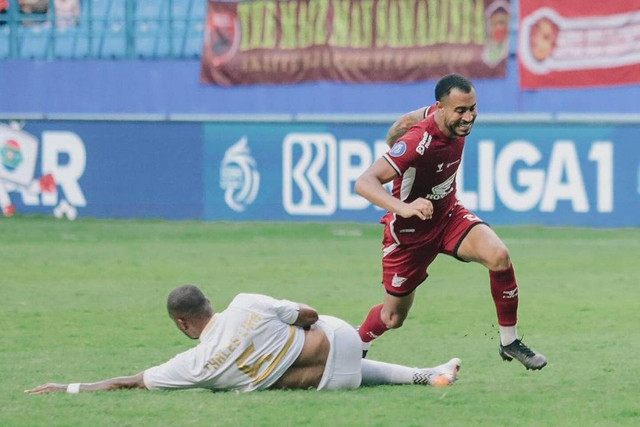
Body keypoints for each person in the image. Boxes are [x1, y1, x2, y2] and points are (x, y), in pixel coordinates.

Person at [354, 73, 547, 370]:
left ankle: (509, 341)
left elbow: (407, 120)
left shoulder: (442, 117)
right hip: (409, 235)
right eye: (460, 111)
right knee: (393, 318)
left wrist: (394, 132)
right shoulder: (420, 140)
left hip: (447, 217)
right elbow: (364, 182)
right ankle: (358, 343)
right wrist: (402, 208)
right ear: (441, 108)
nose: (468, 117)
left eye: (472, 108)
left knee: (499, 256)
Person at [26, 285, 461, 394]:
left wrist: (69, 387)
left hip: (330, 384)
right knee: (308, 328)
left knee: (302, 367)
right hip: (341, 341)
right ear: (210, 304)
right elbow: (307, 314)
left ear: (181, 323)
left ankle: (427, 374)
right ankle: (427, 375)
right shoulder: (245, 303)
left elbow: (130, 382)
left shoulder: (192, 366)